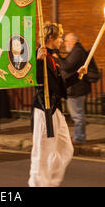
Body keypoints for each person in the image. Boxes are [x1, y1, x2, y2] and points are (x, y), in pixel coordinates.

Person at [28, 22, 87, 187]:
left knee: (66, 150)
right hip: (43, 109)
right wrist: (39, 62)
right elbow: (36, 81)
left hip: (56, 110)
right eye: (59, 37)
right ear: (50, 38)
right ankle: (37, 184)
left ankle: (50, 183)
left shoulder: (52, 58)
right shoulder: (39, 57)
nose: (61, 40)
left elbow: (59, 86)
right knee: (42, 153)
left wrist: (77, 75)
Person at [56, 33, 91, 145]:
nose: (65, 43)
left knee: (78, 115)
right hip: (75, 88)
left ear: (73, 41)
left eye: (66, 41)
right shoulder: (76, 51)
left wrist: (57, 58)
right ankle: (78, 136)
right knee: (77, 114)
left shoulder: (77, 51)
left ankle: (79, 138)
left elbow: (67, 66)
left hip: (77, 88)